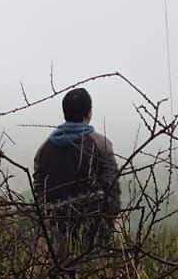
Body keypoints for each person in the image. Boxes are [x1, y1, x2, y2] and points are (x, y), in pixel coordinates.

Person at [32, 88, 121, 242]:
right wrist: (108, 222)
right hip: (94, 234)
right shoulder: (101, 144)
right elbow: (113, 190)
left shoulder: (44, 148)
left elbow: (39, 189)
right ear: (89, 113)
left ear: (65, 113)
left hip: (57, 234)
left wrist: (49, 223)